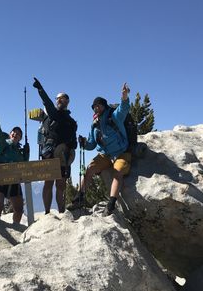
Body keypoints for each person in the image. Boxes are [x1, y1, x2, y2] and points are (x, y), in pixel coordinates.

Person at [70, 83, 132, 216]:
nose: (96, 108)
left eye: (98, 105)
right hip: (105, 155)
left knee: (118, 172)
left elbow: (123, 108)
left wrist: (124, 96)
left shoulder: (114, 116)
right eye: (94, 107)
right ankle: (80, 197)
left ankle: (111, 204)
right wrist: (84, 143)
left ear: (104, 105)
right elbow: (92, 144)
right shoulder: (94, 125)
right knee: (90, 169)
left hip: (121, 152)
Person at [31, 77, 77, 214]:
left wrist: (73, 145)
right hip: (50, 153)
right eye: (58, 98)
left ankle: (62, 212)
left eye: (62, 98)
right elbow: (47, 103)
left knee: (61, 185)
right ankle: (47, 213)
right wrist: (40, 90)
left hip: (64, 155)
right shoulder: (53, 114)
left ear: (67, 101)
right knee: (48, 183)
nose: (59, 100)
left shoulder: (72, 122)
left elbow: (73, 139)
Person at [0, 102, 30, 224]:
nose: (16, 134)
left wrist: (27, 154)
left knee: (19, 209)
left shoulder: (19, 152)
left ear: (20, 138)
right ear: (10, 134)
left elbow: (24, 166)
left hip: (14, 181)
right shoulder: (3, 143)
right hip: (0, 177)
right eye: (14, 132)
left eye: (18, 134)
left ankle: (16, 228)